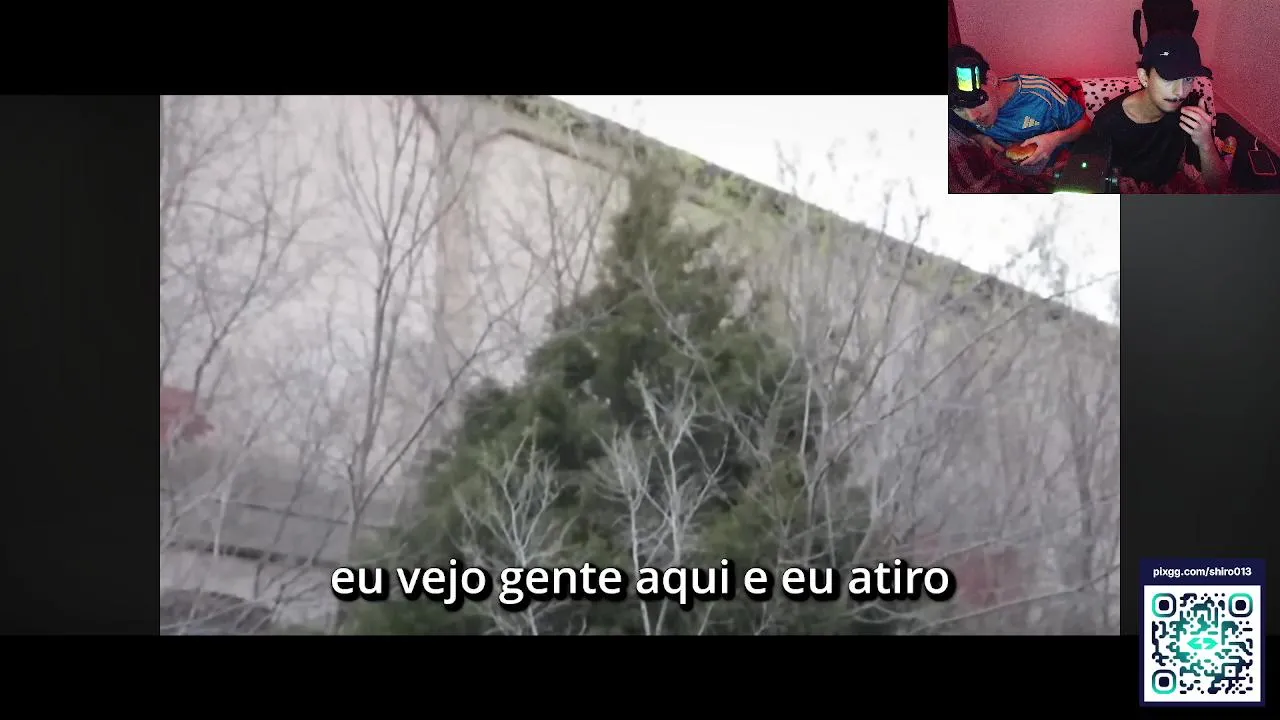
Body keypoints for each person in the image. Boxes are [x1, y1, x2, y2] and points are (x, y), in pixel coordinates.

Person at [1091, 32, 1227, 192]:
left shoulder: (1191, 108)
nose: (1180, 92)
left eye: (1188, 79)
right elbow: (1094, 183)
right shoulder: (1108, 123)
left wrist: (1206, 143)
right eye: (1168, 78)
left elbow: (1219, 185)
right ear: (1144, 77)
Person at [948, 44, 1092, 176]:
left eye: (975, 101)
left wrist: (1055, 139)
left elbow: (1085, 125)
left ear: (991, 79)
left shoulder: (1040, 94)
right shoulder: (954, 110)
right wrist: (980, 137)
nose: (972, 116)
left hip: (1059, 171)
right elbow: (961, 127)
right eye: (959, 108)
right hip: (1012, 177)